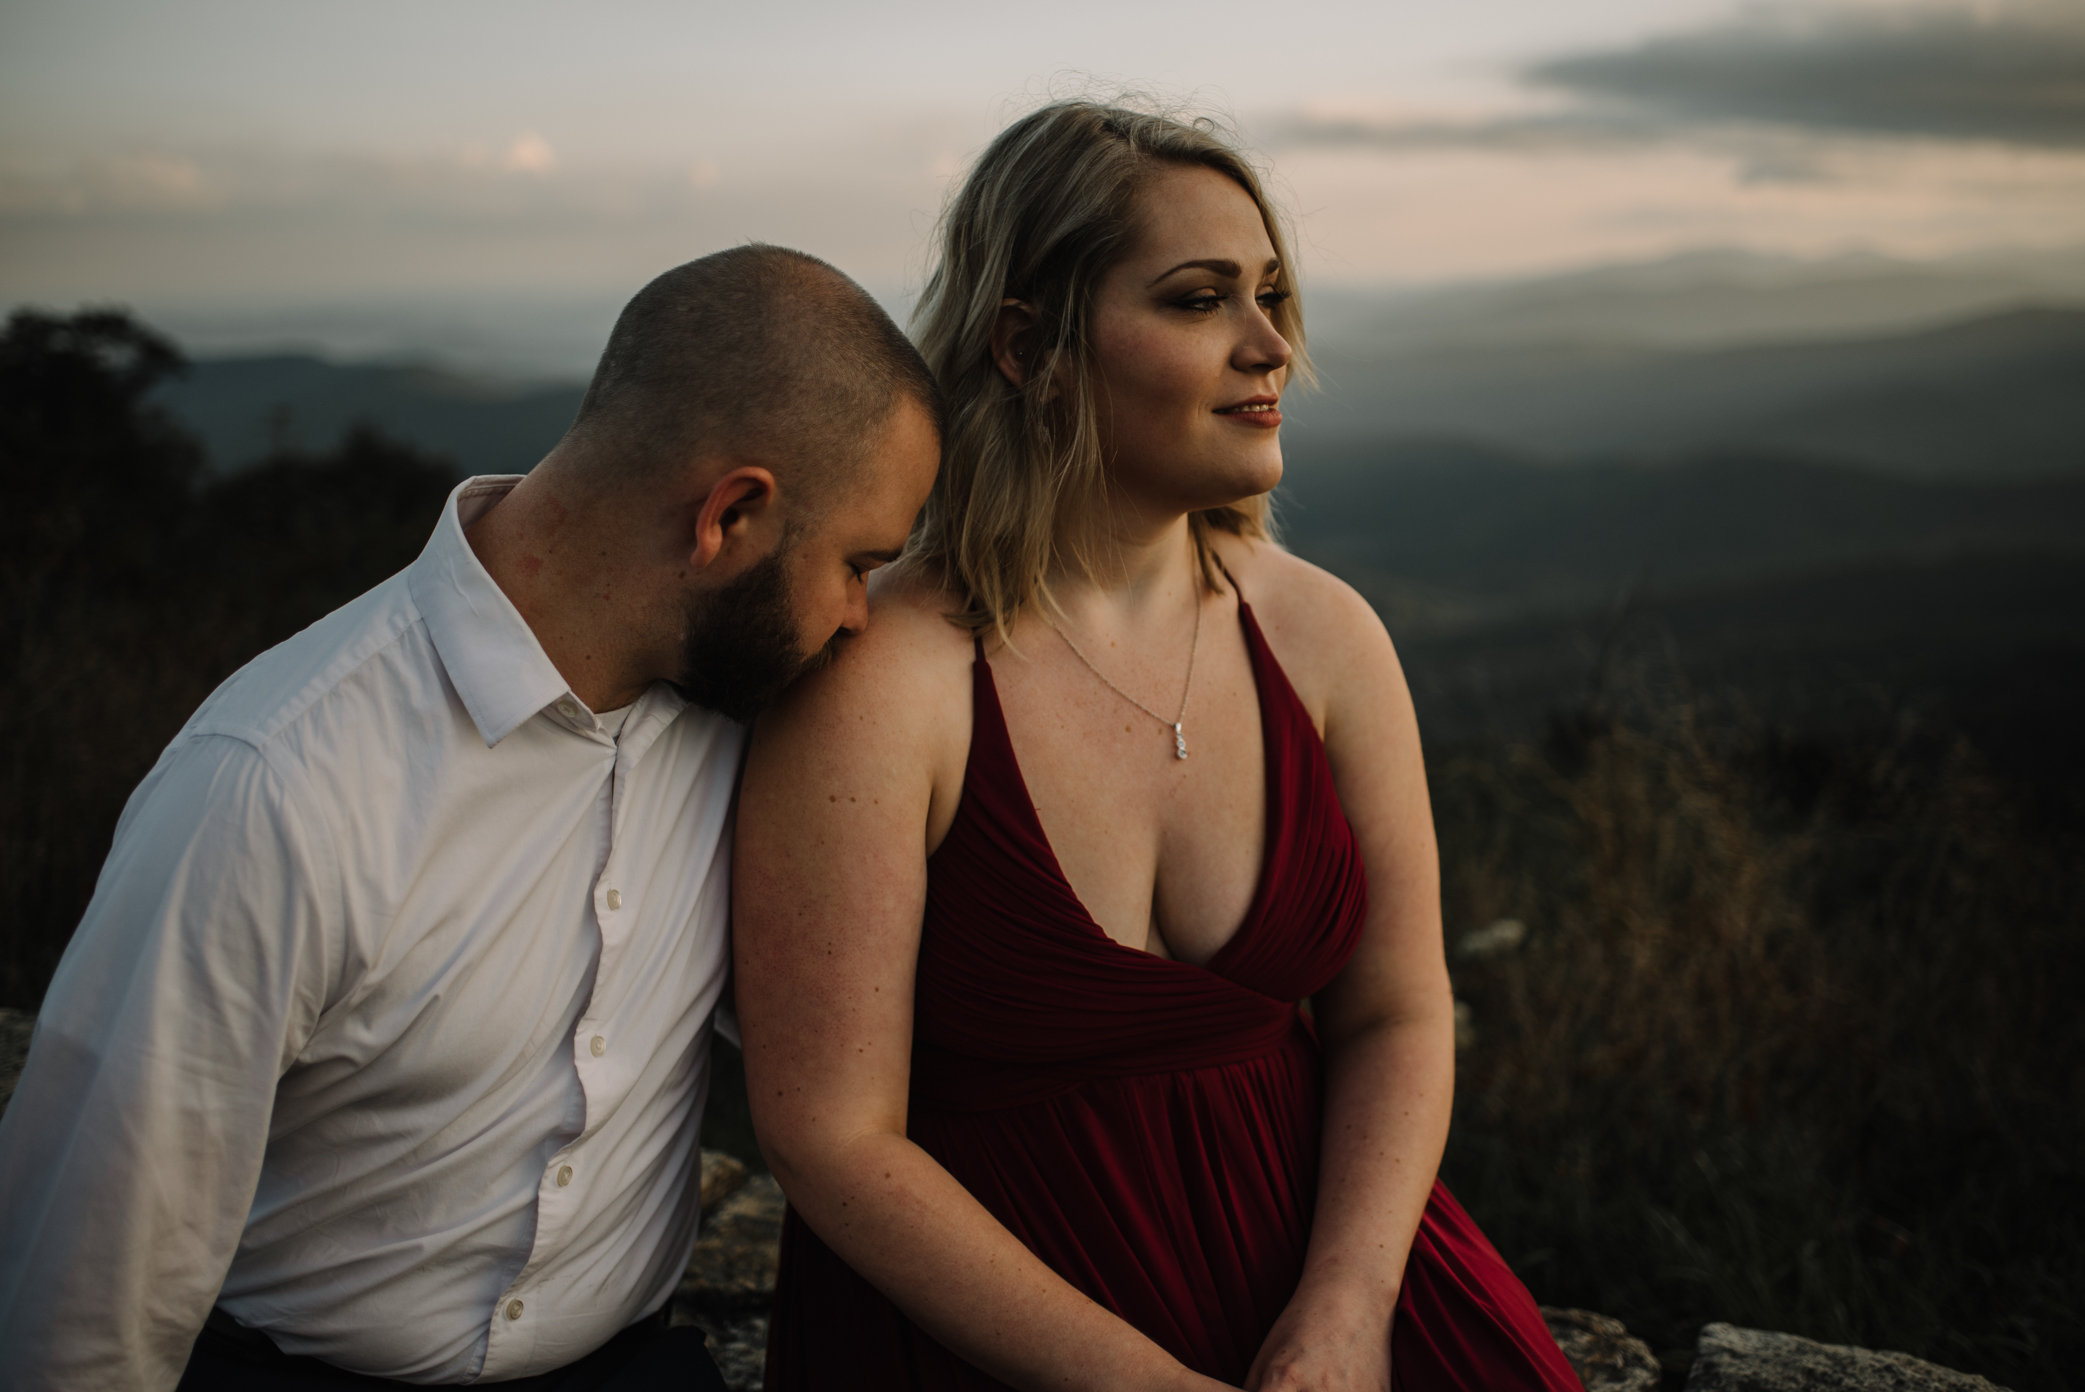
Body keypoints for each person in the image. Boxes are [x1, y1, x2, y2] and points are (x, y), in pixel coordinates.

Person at [733, 102, 1583, 1392]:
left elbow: (1399, 1012)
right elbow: (831, 1138)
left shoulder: (1326, 638)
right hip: (994, 1338)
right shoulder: (887, 679)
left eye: (1274, 294)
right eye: (1200, 301)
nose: (1272, 344)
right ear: (1030, 344)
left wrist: (1350, 1308)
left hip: (1333, 1295)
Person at [0, 245, 941, 1392]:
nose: (860, 619)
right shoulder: (273, 785)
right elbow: (89, 1293)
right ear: (730, 517)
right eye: (858, 564)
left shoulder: (750, 723)